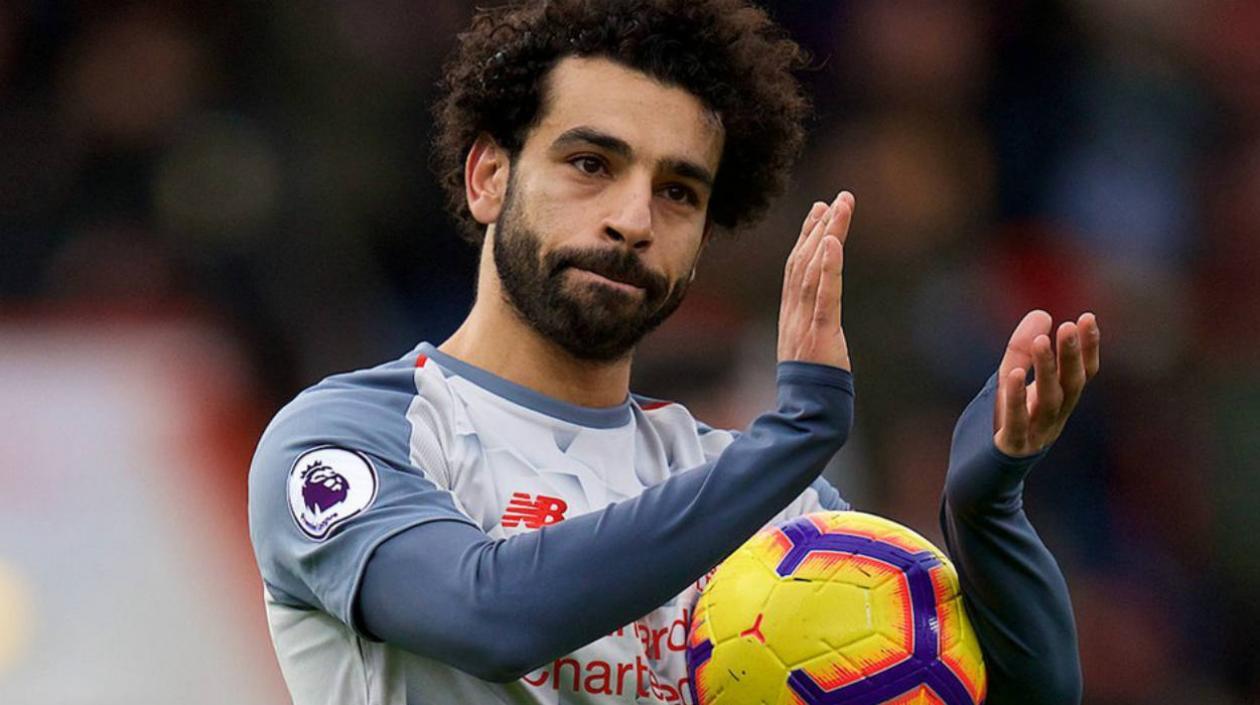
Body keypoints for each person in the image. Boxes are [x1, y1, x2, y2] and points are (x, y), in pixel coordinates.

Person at [248, 1, 1100, 703]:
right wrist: (792, 436)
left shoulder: (778, 509)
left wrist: (988, 510)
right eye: (590, 163)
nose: (633, 219)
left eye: (679, 191)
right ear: (488, 178)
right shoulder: (352, 434)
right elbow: (489, 614)